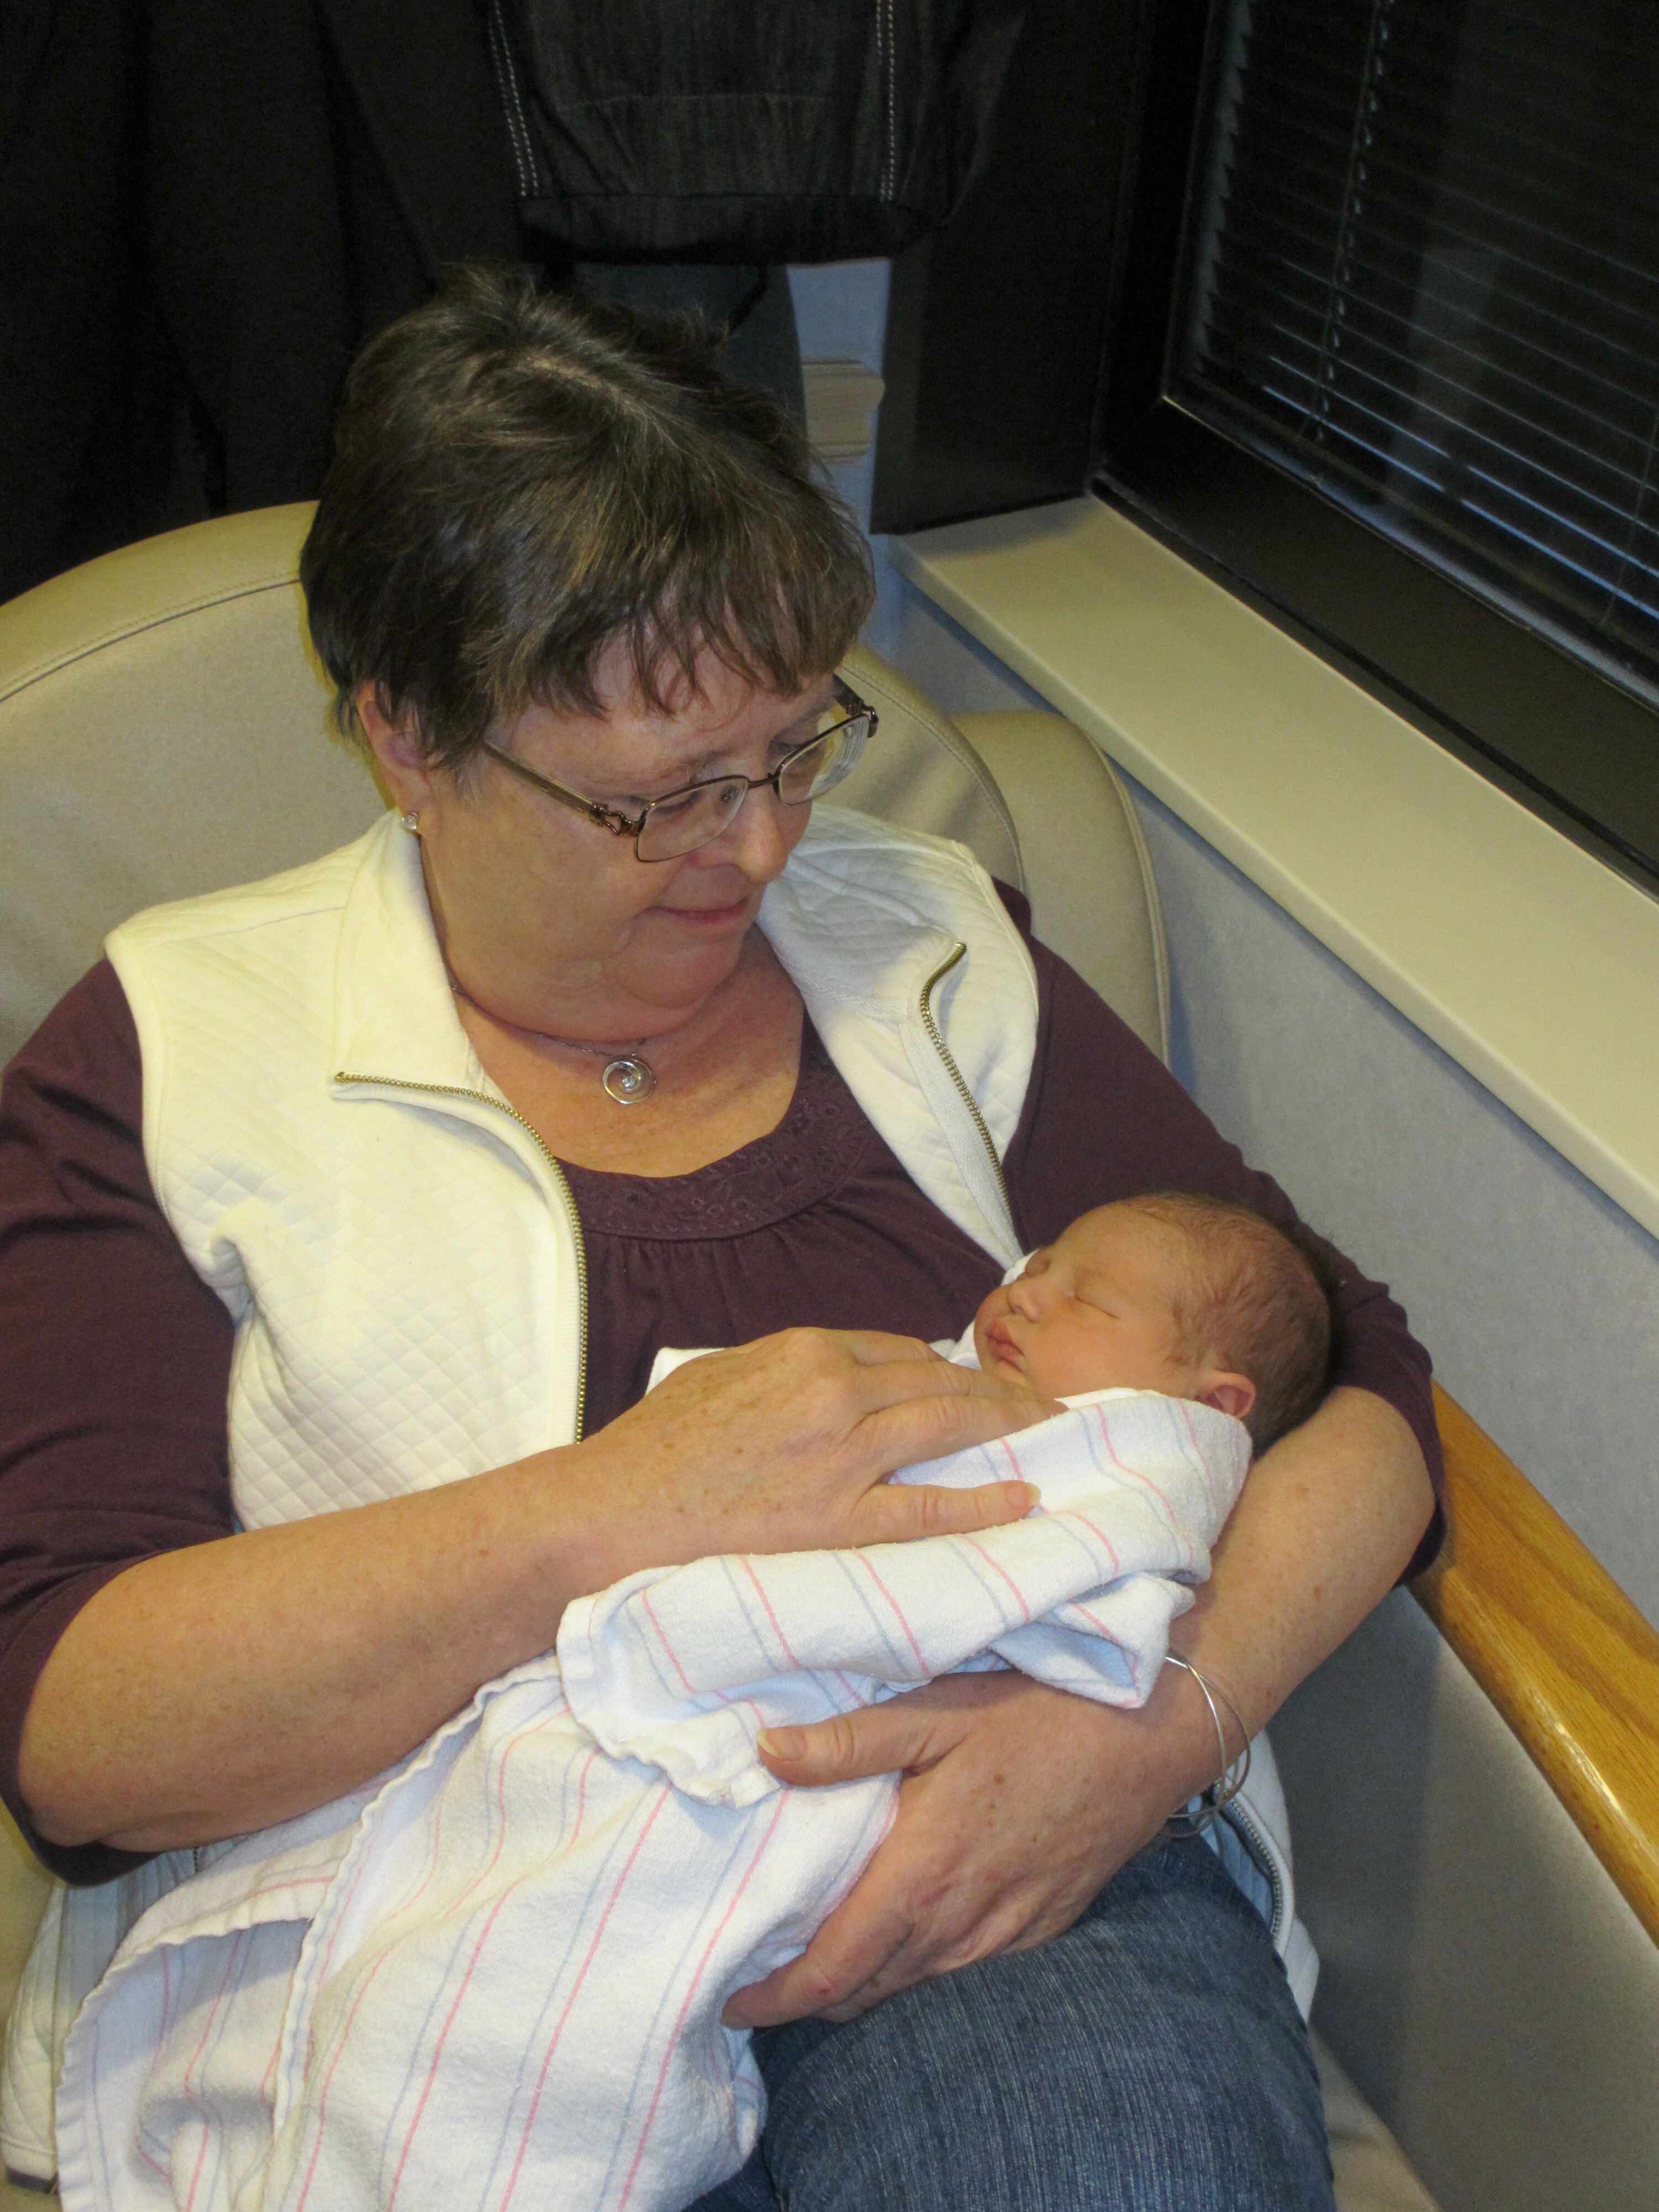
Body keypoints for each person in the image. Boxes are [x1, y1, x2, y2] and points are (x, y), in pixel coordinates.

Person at [0, 268, 1439, 2210]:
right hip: (445, 1922)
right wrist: (613, 1513)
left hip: (987, 1880)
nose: (758, 849)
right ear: (408, 740)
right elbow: (79, 1732)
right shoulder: (177, 1049)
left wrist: (1158, 1732)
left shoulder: (926, 947)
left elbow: (1354, 1377)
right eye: (659, 798)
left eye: (790, 748)